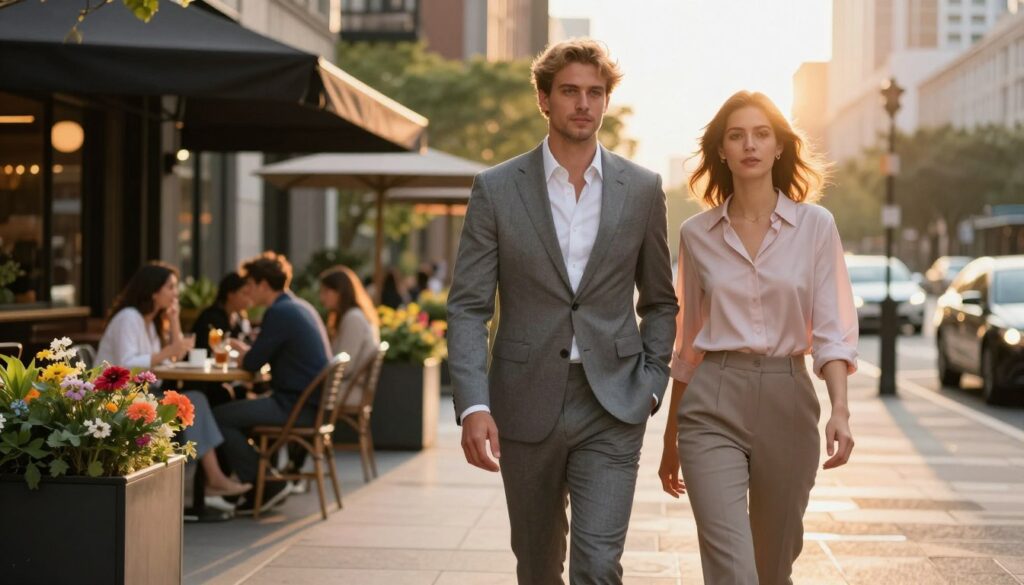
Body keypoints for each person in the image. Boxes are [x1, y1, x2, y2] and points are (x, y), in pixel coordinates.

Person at [447, 39, 677, 584]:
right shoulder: (497, 189)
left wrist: (650, 383)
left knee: (598, 566)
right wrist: (473, 404)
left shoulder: (642, 190)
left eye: (595, 93)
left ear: (606, 101)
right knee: (538, 564)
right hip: (524, 402)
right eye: (570, 91)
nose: (583, 104)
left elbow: (662, 300)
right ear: (544, 99)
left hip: (613, 402)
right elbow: (467, 306)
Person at [657, 91, 858, 585]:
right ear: (721, 150)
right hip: (712, 403)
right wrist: (670, 437)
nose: (750, 144)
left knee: (773, 568)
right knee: (733, 570)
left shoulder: (815, 226)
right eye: (736, 135)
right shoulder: (696, 234)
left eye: (761, 134)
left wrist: (841, 410)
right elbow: (688, 344)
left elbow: (832, 329)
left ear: (779, 147)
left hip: (789, 400)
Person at [95, 261, 251, 497]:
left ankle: (209, 481)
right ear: (153, 290)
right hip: (117, 398)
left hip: (143, 393)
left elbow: (174, 355)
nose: (175, 294)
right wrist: (170, 351)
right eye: (171, 288)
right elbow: (127, 364)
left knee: (195, 399)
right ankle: (212, 480)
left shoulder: (150, 322)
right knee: (195, 399)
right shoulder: (129, 318)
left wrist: (175, 319)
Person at [213, 251, 332, 515]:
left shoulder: (279, 312)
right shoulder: (300, 307)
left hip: (295, 407)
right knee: (236, 409)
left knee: (218, 416)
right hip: (311, 405)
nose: (248, 291)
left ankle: (265, 484)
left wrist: (242, 351)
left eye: (251, 285)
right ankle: (262, 480)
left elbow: (253, 363)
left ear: (264, 285)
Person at [318, 265, 380, 404]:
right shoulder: (354, 316)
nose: (322, 297)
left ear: (340, 292)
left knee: (298, 392)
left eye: (326, 292)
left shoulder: (353, 318)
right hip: (350, 389)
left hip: (349, 392)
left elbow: (345, 367)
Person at [191, 272, 253, 407]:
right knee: (227, 394)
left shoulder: (239, 319)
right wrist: (231, 343)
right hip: (205, 381)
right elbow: (207, 348)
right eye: (244, 293)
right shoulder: (211, 317)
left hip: (227, 378)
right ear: (230, 294)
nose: (249, 298)